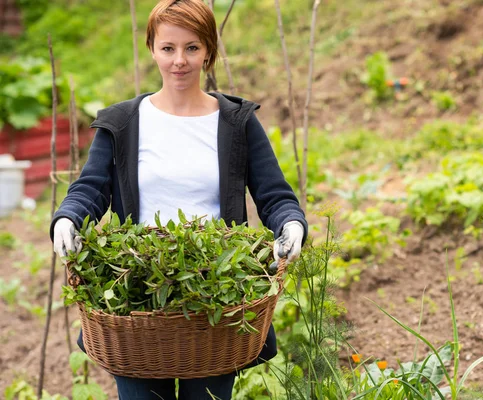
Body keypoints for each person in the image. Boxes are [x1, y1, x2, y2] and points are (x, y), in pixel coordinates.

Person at [49, 0, 308, 399]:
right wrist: (67, 218)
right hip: (136, 293)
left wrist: (291, 224)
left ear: (209, 51)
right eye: (168, 48)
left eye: (192, 48)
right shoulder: (123, 123)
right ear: (152, 48)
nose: (180, 61)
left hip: (216, 298)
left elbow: (274, 195)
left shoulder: (236, 123)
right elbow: (90, 190)